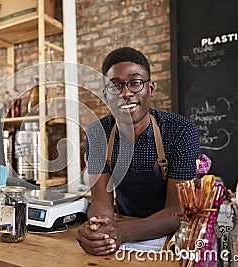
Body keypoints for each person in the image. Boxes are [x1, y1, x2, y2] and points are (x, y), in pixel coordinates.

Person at [77, 47, 200, 255]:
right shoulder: (98, 133)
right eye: (115, 86)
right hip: (125, 231)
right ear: (106, 95)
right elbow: (100, 200)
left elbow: (177, 211)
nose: (125, 93)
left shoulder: (181, 130)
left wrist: (122, 233)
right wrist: (99, 228)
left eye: (135, 82)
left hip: (173, 238)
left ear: (150, 88)